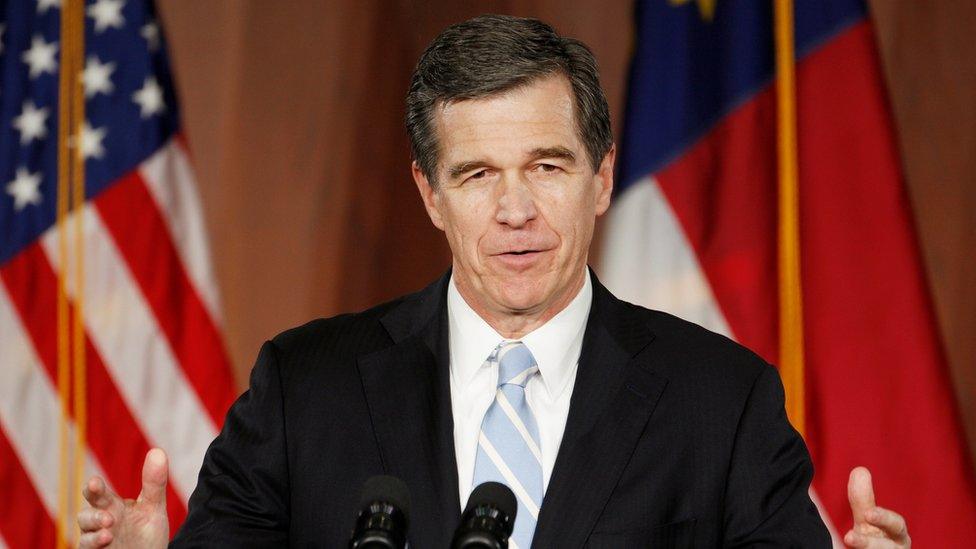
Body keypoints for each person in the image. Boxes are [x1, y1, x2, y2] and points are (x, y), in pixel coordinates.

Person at [78, 14, 911, 548]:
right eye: (477, 175)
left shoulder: (721, 401)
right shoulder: (306, 385)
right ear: (429, 195)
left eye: (547, 165)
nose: (516, 209)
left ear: (602, 178)